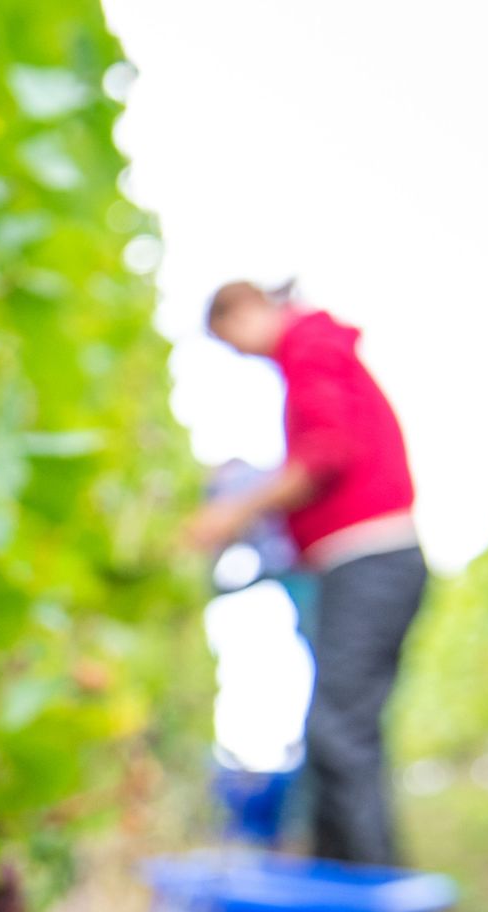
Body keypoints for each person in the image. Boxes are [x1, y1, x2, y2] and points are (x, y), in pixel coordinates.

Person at [185, 282, 427, 868]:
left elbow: (326, 452)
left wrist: (234, 512)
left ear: (246, 309)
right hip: (366, 563)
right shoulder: (314, 350)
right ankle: (350, 882)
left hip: (369, 560)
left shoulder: (309, 344)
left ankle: (363, 900)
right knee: (344, 734)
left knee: (338, 735)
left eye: (234, 341)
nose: (245, 356)